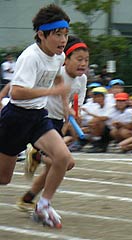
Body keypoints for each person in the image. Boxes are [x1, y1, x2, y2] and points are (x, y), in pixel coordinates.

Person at [0, 4, 71, 228]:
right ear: (41, 34)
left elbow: (57, 77)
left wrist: (64, 102)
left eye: (66, 34)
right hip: (15, 118)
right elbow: (17, 92)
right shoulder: (30, 57)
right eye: (58, 34)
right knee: (3, 178)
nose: (63, 40)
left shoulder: (58, 57)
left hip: (38, 117)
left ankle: (43, 205)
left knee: (63, 158)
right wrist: (52, 91)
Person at [17, 36, 89, 212]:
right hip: (44, 120)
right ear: (66, 59)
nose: (83, 63)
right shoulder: (58, 73)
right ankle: (37, 156)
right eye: (79, 59)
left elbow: (75, 105)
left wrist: (72, 117)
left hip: (58, 122)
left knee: (53, 167)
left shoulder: (83, 80)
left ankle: (28, 199)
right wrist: (68, 110)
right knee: (66, 163)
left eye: (86, 60)